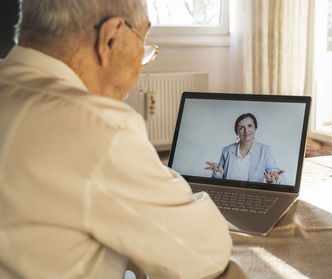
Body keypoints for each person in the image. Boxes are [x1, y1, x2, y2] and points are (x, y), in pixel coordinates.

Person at [0, 1, 237, 278]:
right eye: (143, 39)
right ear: (110, 37)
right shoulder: (100, 126)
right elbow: (205, 254)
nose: (142, 58)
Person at [205, 113, 285, 184]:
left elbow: (275, 174)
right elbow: (218, 183)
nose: (246, 130)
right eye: (241, 128)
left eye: (250, 126)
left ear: (255, 129)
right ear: (237, 132)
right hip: (230, 192)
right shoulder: (226, 150)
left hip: (253, 195)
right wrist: (218, 173)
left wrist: (272, 180)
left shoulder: (264, 150)